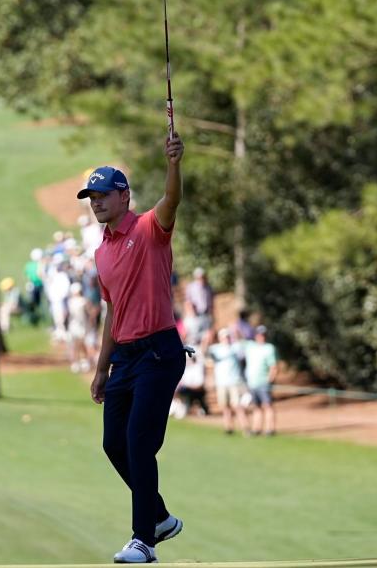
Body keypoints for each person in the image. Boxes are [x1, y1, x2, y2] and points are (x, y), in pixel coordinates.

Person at [84, 132, 186, 564]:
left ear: (123, 196)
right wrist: (101, 367)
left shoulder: (148, 229)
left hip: (160, 353)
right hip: (124, 357)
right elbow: (113, 312)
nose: (96, 202)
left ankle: (144, 539)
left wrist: (174, 163)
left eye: (103, 195)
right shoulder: (100, 253)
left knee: (140, 443)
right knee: (113, 444)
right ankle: (159, 516)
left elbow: (172, 199)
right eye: (91, 197)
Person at [207, 328, 250, 435]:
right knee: (225, 407)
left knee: (237, 406)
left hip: (234, 382)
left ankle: (246, 428)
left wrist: (238, 333)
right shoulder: (215, 348)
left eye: (227, 336)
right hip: (221, 383)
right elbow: (205, 353)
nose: (226, 339)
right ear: (220, 338)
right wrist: (207, 339)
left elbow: (244, 343)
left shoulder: (235, 347)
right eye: (224, 337)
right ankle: (228, 428)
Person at [244, 325, 279, 436]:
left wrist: (270, 380)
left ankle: (270, 429)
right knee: (256, 407)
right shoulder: (250, 347)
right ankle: (256, 428)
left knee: (267, 405)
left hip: (264, 382)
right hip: (252, 383)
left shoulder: (269, 348)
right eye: (259, 334)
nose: (261, 337)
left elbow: (274, 367)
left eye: (263, 335)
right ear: (256, 336)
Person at [184, 267, 214, 340]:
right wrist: (190, 312)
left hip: (205, 314)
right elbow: (187, 301)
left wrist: (212, 314)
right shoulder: (191, 287)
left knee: (207, 335)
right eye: (200, 277)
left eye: (203, 277)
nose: (202, 279)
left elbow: (211, 302)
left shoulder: (208, 287)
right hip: (195, 315)